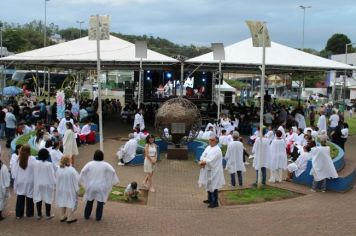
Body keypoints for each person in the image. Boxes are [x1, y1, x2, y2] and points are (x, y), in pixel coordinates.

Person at [79, 150, 119, 221]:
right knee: (100, 202)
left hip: (91, 185)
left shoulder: (90, 164)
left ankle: (86, 215)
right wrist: (109, 179)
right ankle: (98, 217)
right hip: (101, 186)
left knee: (90, 200)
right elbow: (113, 171)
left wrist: (85, 180)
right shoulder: (105, 164)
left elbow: (82, 171)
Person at [198, 134, 225, 208]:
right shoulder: (208, 147)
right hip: (207, 169)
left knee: (214, 186)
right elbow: (203, 155)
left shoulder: (217, 149)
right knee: (208, 184)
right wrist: (202, 160)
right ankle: (209, 199)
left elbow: (211, 160)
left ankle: (215, 202)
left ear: (216, 141)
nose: (210, 141)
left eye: (212, 140)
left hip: (214, 171)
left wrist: (203, 162)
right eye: (209, 139)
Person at [12, 145, 36, 219]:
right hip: (30, 180)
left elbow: (14, 172)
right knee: (30, 197)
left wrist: (15, 179)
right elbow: (36, 170)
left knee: (20, 196)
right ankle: (29, 213)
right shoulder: (33, 159)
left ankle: (19, 214)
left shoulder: (18, 159)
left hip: (20, 180)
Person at [33, 148, 56, 220]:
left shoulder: (35, 163)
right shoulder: (49, 164)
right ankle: (48, 214)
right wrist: (54, 184)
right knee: (48, 198)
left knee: (38, 198)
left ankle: (39, 214)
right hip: (47, 183)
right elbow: (52, 175)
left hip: (38, 183)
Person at [56, 155, 79, 224]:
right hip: (70, 188)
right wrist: (77, 189)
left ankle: (62, 216)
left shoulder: (58, 169)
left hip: (61, 188)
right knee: (70, 202)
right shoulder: (71, 170)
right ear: (68, 161)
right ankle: (70, 218)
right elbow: (77, 179)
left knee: (63, 201)